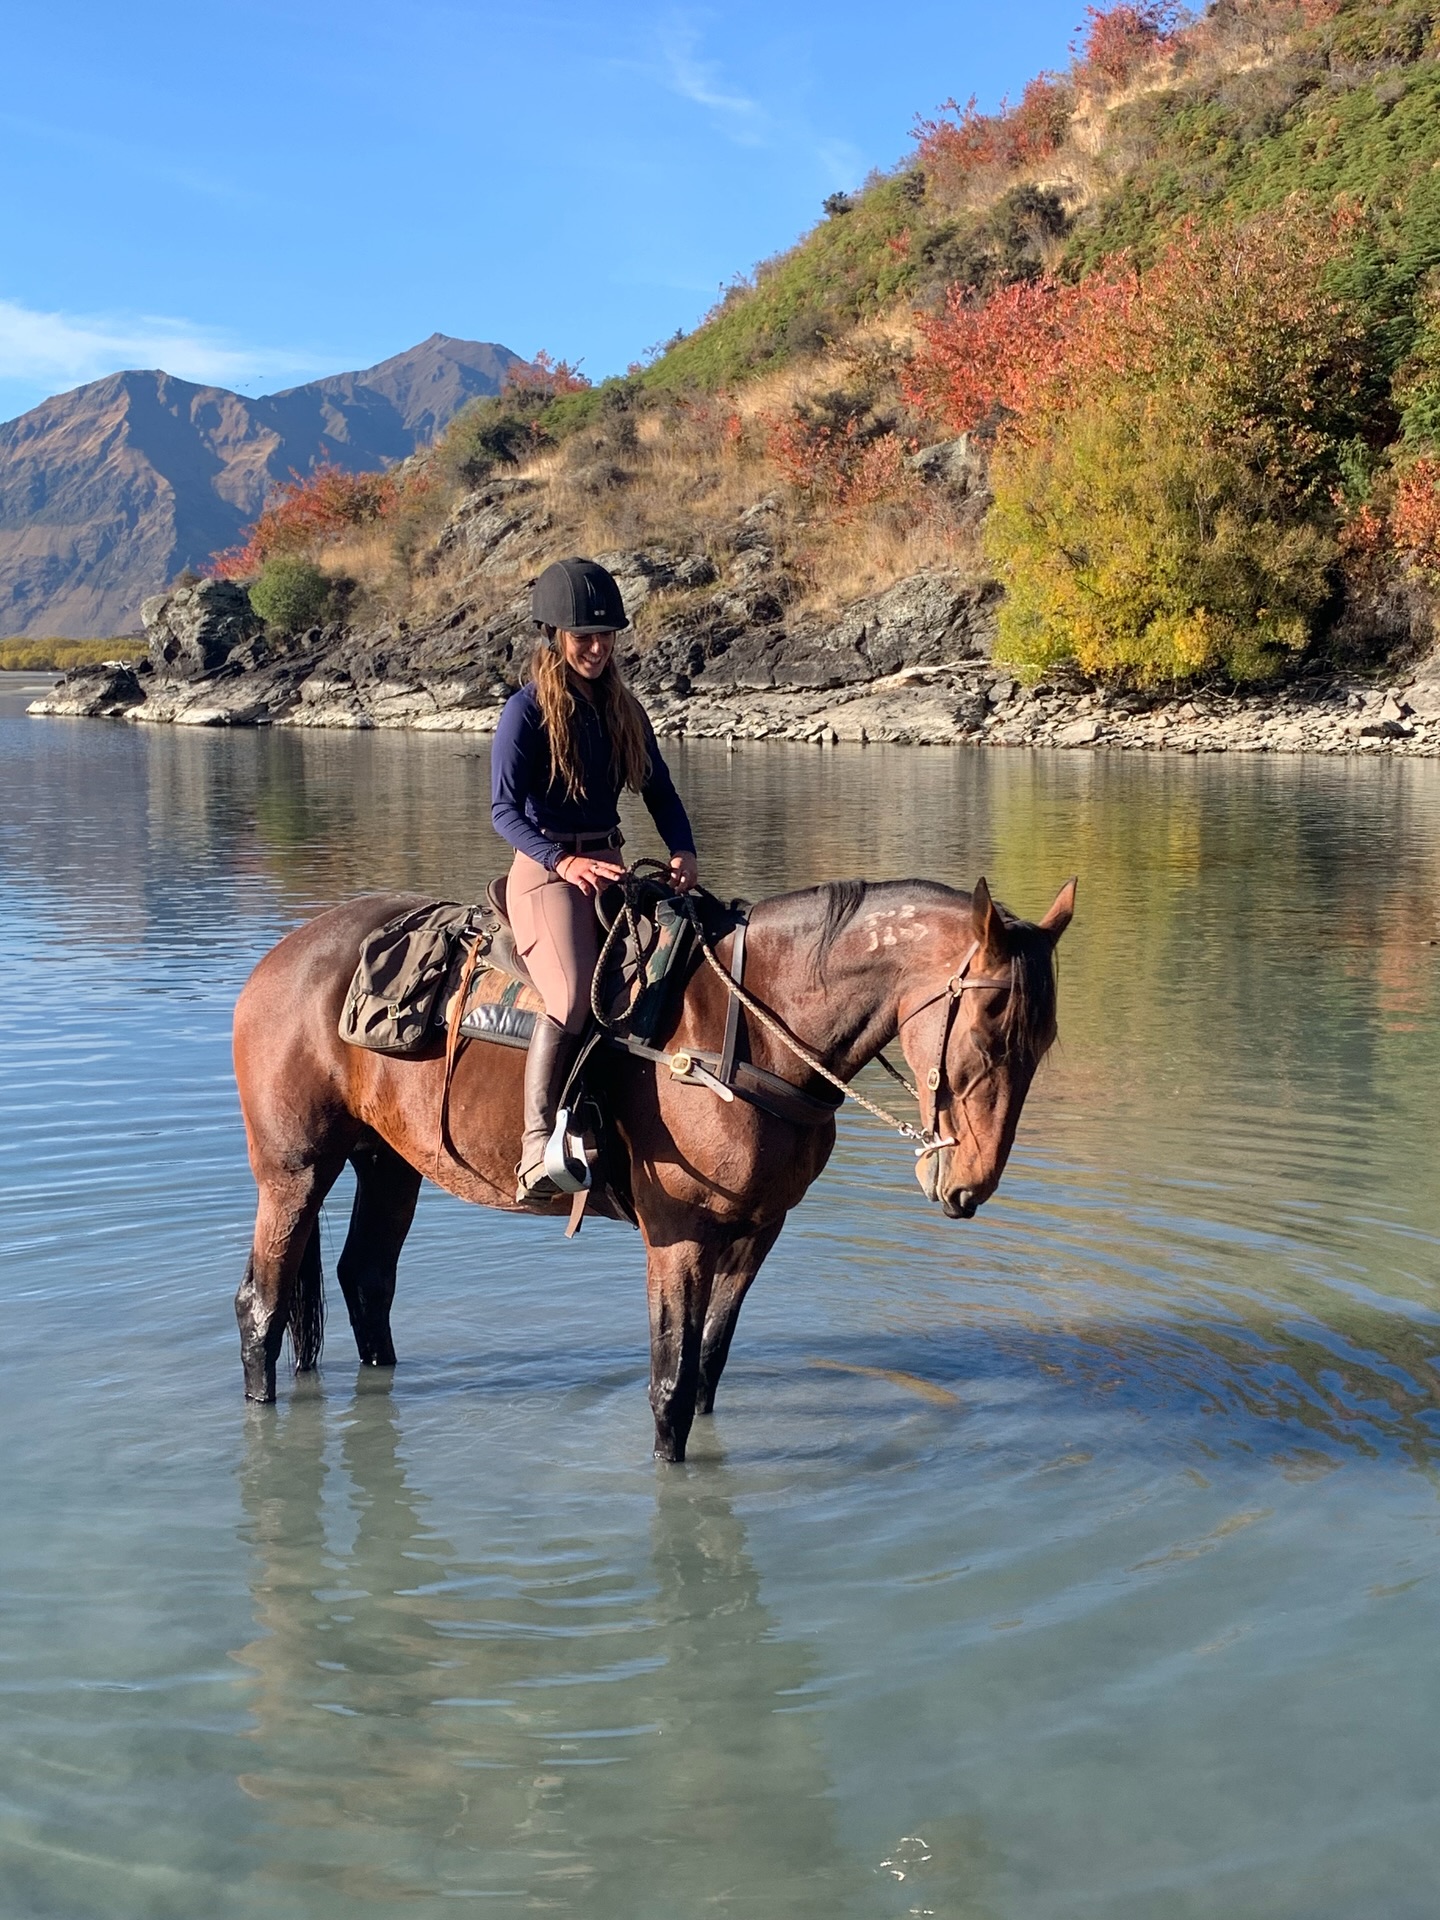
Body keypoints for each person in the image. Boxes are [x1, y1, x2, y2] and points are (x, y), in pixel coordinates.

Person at [491, 557, 700, 1206]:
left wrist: (683, 847)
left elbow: (659, 791)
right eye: (583, 636)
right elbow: (502, 810)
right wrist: (563, 862)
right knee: (572, 998)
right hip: (546, 873)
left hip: (609, 866)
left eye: (605, 636)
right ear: (554, 635)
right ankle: (535, 1147)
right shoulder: (525, 712)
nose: (595, 647)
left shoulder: (623, 709)